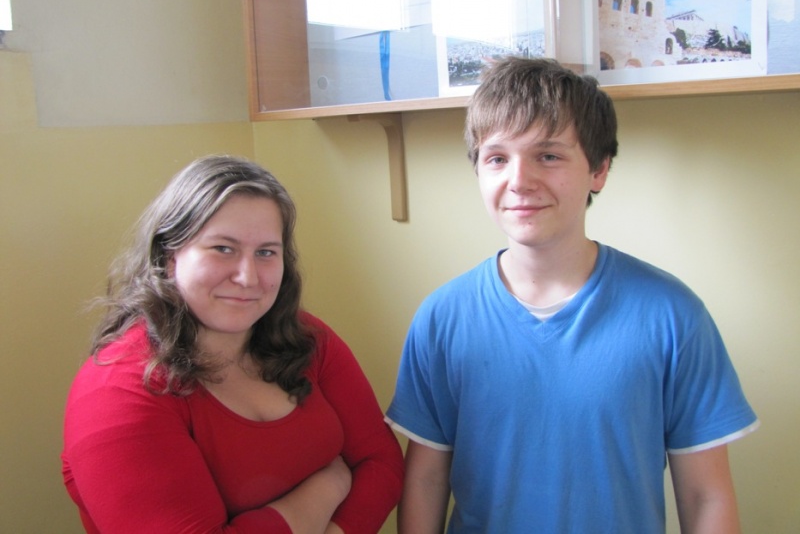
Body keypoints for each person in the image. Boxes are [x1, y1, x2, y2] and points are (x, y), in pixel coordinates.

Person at [385, 57, 758, 533]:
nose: (519, 180)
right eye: (497, 158)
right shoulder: (442, 318)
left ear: (599, 169)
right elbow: (426, 481)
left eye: (548, 155)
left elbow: (706, 496)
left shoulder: (672, 316)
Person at [62, 155, 404, 533]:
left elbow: (382, 463)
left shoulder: (308, 338)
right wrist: (330, 484)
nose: (248, 277)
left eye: (266, 252)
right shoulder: (115, 391)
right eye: (223, 248)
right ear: (170, 256)